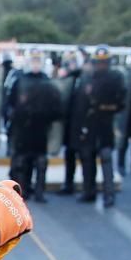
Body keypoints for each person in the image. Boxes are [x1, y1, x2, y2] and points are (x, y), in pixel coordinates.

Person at [4, 48, 63, 202]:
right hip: (22, 128)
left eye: (38, 61)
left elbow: (56, 106)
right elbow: (9, 103)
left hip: (41, 128)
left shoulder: (47, 81)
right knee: (21, 162)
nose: (35, 64)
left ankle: (39, 192)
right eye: (33, 61)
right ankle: (22, 191)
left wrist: (48, 118)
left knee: (41, 161)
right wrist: (12, 119)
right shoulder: (19, 80)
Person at [71, 45, 126, 207]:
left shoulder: (116, 78)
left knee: (106, 160)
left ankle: (109, 195)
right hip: (88, 126)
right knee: (87, 159)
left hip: (105, 125)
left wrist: (101, 105)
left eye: (104, 62)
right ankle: (89, 191)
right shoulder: (87, 78)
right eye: (98, 62)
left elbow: (120, 103)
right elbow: (80, 105)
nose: (101, 65)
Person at [55, 49, 85, 196]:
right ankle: (69, 183)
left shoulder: (84, 79)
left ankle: (87, 186)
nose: (71, 65)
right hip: (68, 124)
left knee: (85, 156)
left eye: (73, 62)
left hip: (82, 124)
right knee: (70, 155)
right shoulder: (66, 79)